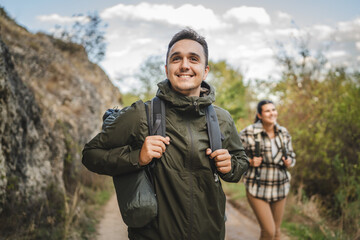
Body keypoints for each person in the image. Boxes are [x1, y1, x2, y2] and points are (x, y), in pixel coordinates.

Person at [82, 28, 249, 240]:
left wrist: (231, 166)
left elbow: (241, 161)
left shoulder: (222, 119)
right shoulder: (141, 115)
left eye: (193, 59)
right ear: (167, 68)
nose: (185, 65)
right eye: (176, 58)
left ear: (205, 71)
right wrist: (137, 157)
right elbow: (91, 154)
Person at [239, 100, 296, 240]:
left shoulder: (284, 132)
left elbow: (292, 156)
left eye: (274, 109)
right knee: (269, 231)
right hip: (256, 186)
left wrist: (290, 161)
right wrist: (250, 161)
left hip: (280, 186)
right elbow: (236, 157)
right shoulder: (248, 133)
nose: (272, 113)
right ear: (259, 115)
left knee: (276, 232)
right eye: (268, 111)